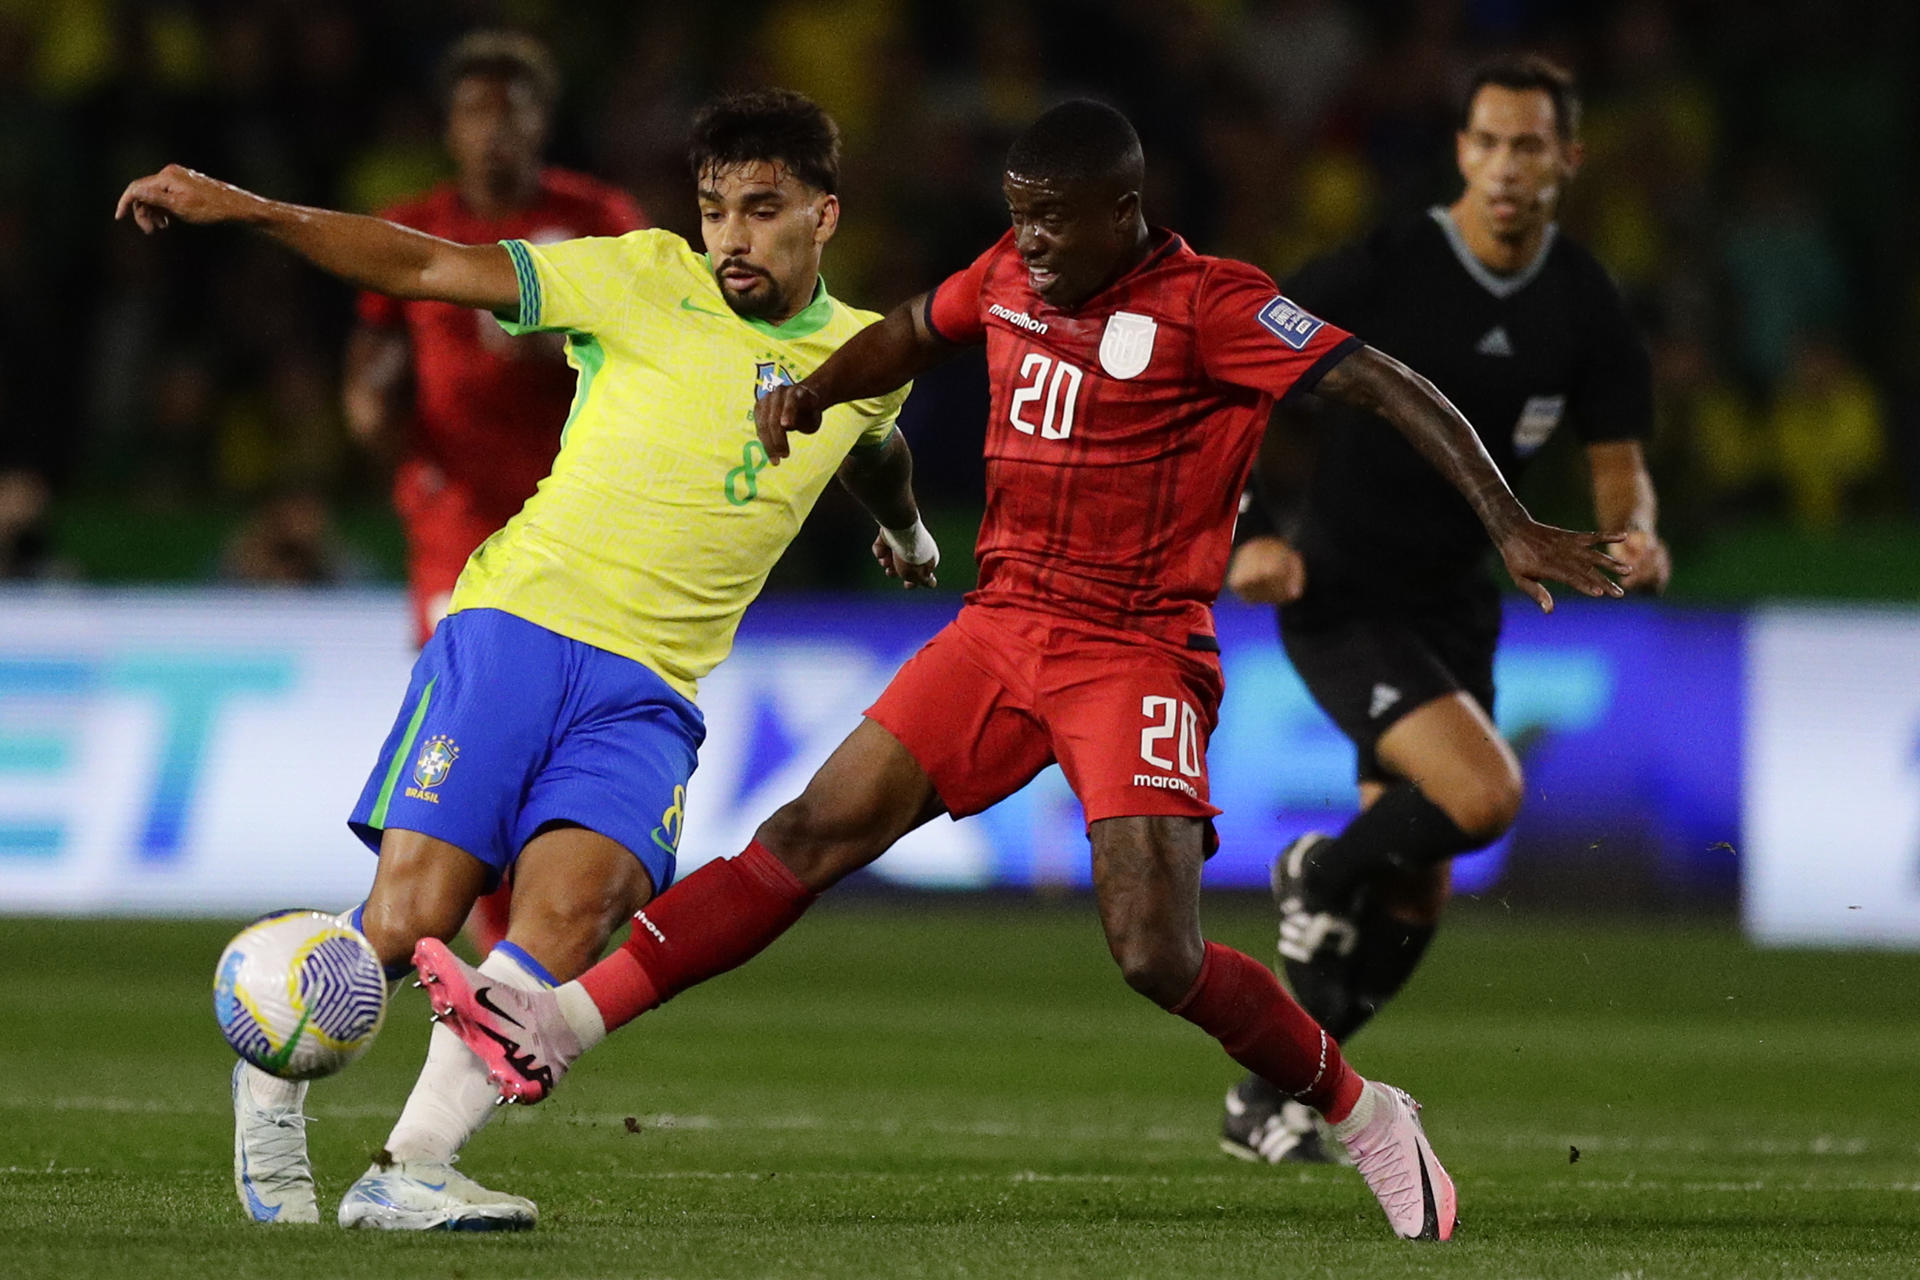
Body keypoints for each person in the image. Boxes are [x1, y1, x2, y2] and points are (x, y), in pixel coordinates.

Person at [418, 99, 1630, 1243]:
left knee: (1155, 951)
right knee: (808, 832)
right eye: (1018, 213)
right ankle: (563, 1023)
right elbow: (911, 329)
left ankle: (1367, 1109)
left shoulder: (1215, 305)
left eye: (1055, 218)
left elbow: (1381, 381)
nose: (1031, 241)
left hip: (1137, 648)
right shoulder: (1011, 271)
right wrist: (816, 387)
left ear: (1127, 210)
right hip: (1003, 625)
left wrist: (1512, 521)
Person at [117, 88, 937, 1232]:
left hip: (651, 689)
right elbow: (422, 266)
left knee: (574, 910)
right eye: (715, 210)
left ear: (824, 214)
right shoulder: (643, 274)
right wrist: (242, 207)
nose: (732, 238)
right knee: (410, 922)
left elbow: (875, 440)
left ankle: (408, 1164)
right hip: (519, 627)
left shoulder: (866, 353)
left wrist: (902, 529)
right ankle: (270, 1078)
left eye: (762, 210)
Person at [1216, 54, 1669, 1166]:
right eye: (1488, 142)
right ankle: (1314, 869)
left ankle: (1268, 1097)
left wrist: (1637, 530)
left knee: (1415, 888)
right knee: (1481, 791)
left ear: (1568, 159)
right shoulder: (1384, 266)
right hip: (1342, 594)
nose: (1507, 166)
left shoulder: (1585, 302)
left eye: (1530, 146)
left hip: (1457, 609)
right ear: (1461, 151)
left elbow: (1621, 465)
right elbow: (1228, 378)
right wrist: (1252, 532)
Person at [345, 31, 647, 956]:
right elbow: (373, 364)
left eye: (512, 112)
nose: (494, 131)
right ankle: (484, 957)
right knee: (472, 743)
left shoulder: (597, 218)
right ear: (449, 128)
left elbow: (659, 336)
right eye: (476, 111)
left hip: (580, 526)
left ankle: (507, 946)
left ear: (541, 123)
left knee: (551, 750)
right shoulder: (414, 228)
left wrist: (562, 339)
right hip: (458, 525)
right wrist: (370, 397)